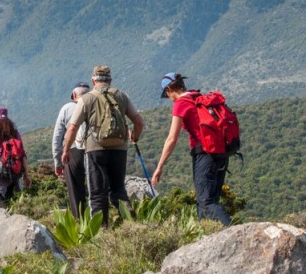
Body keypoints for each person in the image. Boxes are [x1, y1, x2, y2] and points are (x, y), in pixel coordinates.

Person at [62, 66, 144, 226]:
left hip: (95, 149)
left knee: (97, 193)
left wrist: (66, 150)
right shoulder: (121, 96)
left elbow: (72, 128)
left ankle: (101, 230)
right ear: (110, 80)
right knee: (118, 189)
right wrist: (135, 137)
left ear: (93, 81)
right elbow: (139, 122)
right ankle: (131, 224)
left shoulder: (87, 98)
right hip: (120, 148)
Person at [151, 72, 231, 226]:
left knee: (206, 202)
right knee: (209, 200)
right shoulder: (198, 96)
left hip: (204, 154)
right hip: (222, 153)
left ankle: (234, 232)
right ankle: (206, 237)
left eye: (167, 94)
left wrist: (159, 166)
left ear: (169, 89)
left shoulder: (181, 103)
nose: (169, 98)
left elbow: (171, 139)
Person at [0, 107, 32, 207]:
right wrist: (27, 175)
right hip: (13, 170)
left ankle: (2, 219)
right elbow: (23, 155)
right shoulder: (15, 133)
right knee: (8, 199)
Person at [52, 82, 90, 218]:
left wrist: (58, 161)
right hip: (94, 150)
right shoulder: (94, 104)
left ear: (74, 95)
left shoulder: (67, 108)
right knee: (95, 187)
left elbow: (57, 136)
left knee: (75, 189)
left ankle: (79, 220)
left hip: (72, 151)